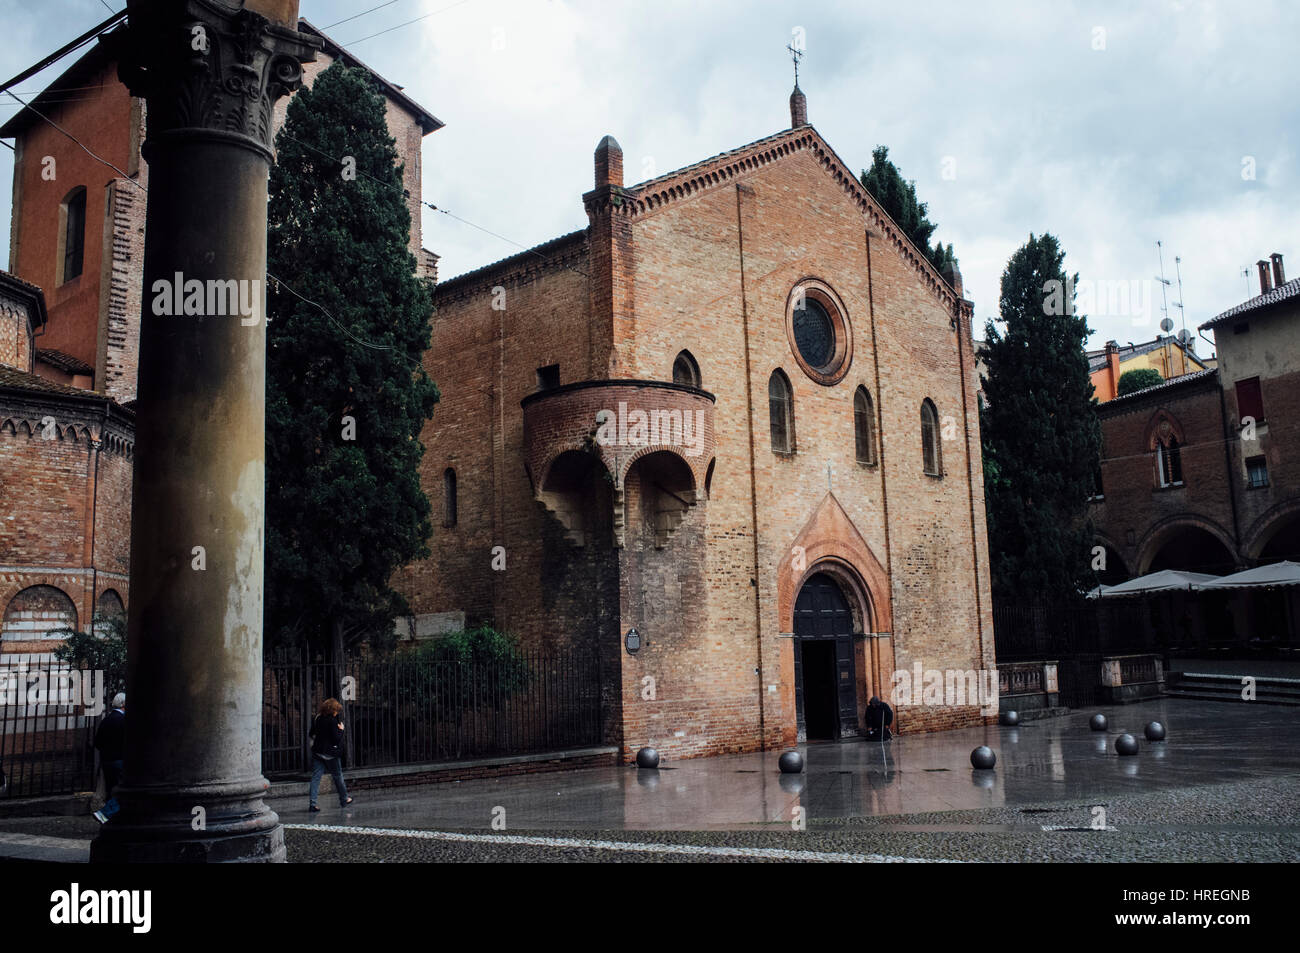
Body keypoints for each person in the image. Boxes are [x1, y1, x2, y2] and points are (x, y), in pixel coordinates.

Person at [308, 697, 353, 812]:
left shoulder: (317, 718)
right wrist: (341, 730)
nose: (337, 713)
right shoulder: (332, 721)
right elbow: (336, 739)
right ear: (333, 710)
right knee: (338, 776)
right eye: (336, 710)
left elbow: (311, 733)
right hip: (330, 754)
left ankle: (312, 803)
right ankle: (344, 798)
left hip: (318, 752)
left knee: (316, 778)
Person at [93, 692, 126, 824]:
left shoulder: (106, 720)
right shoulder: (123, 721)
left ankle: (112, 821)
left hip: (107, 761)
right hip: (120, 760)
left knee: (111, 790)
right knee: (122, 792)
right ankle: (104, 814)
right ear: (123, 705)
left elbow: (97, 743)